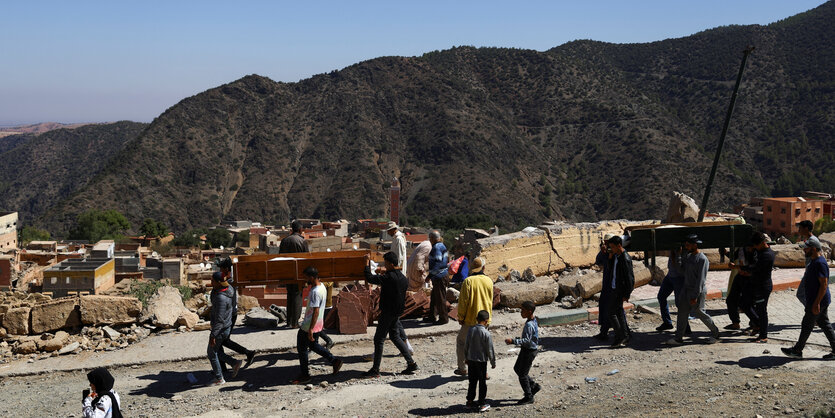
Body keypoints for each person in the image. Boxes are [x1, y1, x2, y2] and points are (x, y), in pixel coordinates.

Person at [363, 252, 419, 377]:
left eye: (386, 263)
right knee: (395, 337)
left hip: (388, 312)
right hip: (397, 311)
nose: (385, 265)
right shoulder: (403, 278)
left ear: (391, 264)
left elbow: (370, 278)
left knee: (379, 339)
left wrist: (366, 263)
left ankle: (375, 370)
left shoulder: (388, 277)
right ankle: (411, 363)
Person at [781, 238, 835, 360]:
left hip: (817, 301)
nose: (804, 250)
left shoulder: (819, 263)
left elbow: (824, 284)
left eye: (806, 248)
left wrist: (816, 303)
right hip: (818, 300)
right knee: (824, 324)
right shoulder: (814, 261)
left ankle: (797, 350)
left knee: (807, 325)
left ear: (814, 249)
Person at [291, 266, 343, 384]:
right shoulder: (321, 287)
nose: (305, 279)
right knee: (314, 346)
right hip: (318, 324)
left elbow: (316, 311)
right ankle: (334, 361)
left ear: (312, 277)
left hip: (309, 325)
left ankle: (305, 375)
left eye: (306, 277)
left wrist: (310, 329)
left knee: (302, 348)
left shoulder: (315, 292)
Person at [667, 234, 719, 345]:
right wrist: (679, 257)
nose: (686, 247)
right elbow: (682, 271)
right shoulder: (689, 257)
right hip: (686, 289)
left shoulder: (702, 259)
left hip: (696, 291)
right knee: (682, 312)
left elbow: (701, 280)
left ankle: (715, 333)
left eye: (688, 245)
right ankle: (678, 338)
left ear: (695, 245)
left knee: (700, 313)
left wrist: (695, 296)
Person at [213, 258, 256, 372]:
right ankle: (223, 366)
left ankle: (244, 355)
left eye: (221, 268)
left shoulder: (229, 280)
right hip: (230, 313)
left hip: (229, 313)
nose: (220, 270)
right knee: (222, 341)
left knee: (221, 340)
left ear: (226, 269)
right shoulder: (230, 278)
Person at [455, 257, 494, 376]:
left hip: (470, 319)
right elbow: (490, 300)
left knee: (461, 342)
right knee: (482, 345)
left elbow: (463, 302)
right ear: (483, 268)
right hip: (485, 320)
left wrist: (461, 317)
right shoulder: (489, 281)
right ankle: (484, 371)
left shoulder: (468, 281)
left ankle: (462, 368)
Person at [735, 232, 775, 342]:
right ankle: (757, 324)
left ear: (763, 243)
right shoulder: (759, 251)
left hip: (762, 287)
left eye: (756, 245)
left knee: (762, 310)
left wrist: (740, 268)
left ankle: (763, 335)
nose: (755, 247)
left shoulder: (767, 255)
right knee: (743, 303)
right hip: (754, 284)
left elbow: (754, 269)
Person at [207, 268, 244, 385]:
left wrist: (213, 334)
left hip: (221, 329)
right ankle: (234, 363)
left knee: (211, 353)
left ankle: (219, 378)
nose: (211, 282)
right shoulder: (228, 289)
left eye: (212, 281)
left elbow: (219, 319)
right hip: (225, 326)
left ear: (218, 283)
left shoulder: (221, 298)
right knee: (216, 351)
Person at [505, 301, 541, 405]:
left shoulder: (529, 324)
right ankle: (533, 386)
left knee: (523, 375)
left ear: (529, 311)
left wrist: (513, 341)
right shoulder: (532, 320)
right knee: (517, 369)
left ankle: (529, 396)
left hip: (529, 351)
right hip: (526, 349)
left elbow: (527, 340)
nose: (521, 312)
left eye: (523, 310)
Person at [279, 220, 310, 328]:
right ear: (301, 229)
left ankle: (289, 321)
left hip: (287, 272)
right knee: (297, 295)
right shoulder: (303, 242)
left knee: (290, 294)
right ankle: (295, 323)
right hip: (299, 273)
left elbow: (280, 257)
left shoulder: (284, 241)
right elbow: (307, 259)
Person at [606, 235, 634, 348]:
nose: (611, 249)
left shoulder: (625, 259)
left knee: (611, 313)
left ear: (619, 246)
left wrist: (626, 294)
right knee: (618, 312)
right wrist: (610, 257)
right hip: (614, 287)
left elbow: (630, 279)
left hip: (619, 290)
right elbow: (610, 269)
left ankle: (619, 337)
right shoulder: (617, 256)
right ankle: (625, 336)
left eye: (612, 247)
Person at [464, 310, 495, 412]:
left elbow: (466, 345)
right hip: (481, 361)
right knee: (482, 382)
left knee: (472, 381)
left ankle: (469, 402)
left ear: (477, 319)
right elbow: (489, 349)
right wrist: (492, 362)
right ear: (486, 321)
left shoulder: (471, 330)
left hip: (471, 360)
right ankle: (482, 403)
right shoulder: (486, 333)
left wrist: (466, 358)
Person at [724, 245, 754, 330]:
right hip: (741, 275)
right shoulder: (741, 247)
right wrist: (726, 253)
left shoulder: (752, 249)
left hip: (749, 277)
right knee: (731, 300)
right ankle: (735, 323)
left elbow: (752, 266)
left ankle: (754, 323)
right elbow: (735, 256)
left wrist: (736, 267)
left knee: (749, 302)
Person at [656, 247, 685, 331]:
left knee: (679, 303)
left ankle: (685, 327)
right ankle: (667, 323)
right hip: (670, 276)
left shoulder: (684, 251)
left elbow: (681, 269)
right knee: (661, 296)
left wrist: (679, 255)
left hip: (679, 278)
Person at [424, 230, 449, 325]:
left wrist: (429, 276)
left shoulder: (436, 248)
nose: (429, 240)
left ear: (433, 239)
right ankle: (432, 316)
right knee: (434, 297)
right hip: (441, 275)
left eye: (430, 238)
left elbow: (438, 263)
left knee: (440, 298)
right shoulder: (442, 246)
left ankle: (443, 318)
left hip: (439, 276)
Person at [592, 235, 613, 340]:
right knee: (604, 306)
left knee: (614, 309)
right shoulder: (605, 253)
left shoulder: (616, 254)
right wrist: (603, 252)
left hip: (613, 285)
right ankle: (604, 331)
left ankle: (623, 332)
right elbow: (599, 262)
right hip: (607, 284)